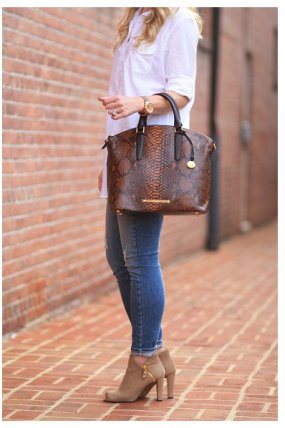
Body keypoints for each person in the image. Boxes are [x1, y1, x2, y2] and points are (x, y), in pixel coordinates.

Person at [97, 8, 202, 402]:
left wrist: (139, 103)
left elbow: (182, 90)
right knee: (117, 257)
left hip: (150, 159)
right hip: (123, 155)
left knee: (140, 258)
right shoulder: (134, 18)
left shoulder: (180, 20)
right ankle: (157, 353)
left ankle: (143, 359)